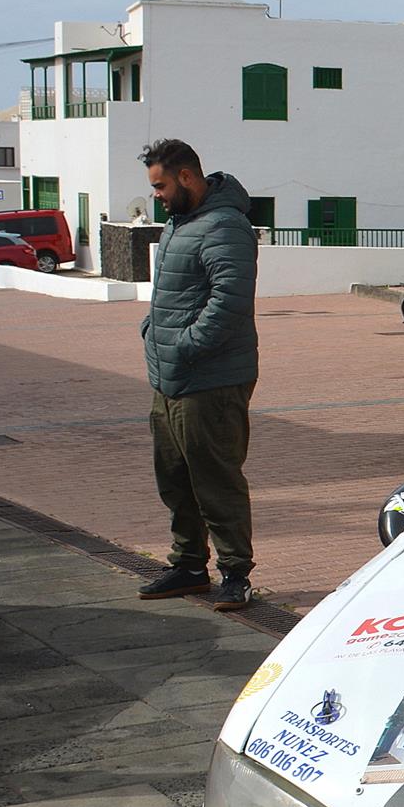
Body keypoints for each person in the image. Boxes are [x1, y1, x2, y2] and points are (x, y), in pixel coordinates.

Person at [137, 138, 261, 610]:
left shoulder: (225, 226)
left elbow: (229, 301)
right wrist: (154, 332)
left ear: (187, 177)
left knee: (215, 479)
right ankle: (188, 565)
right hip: (168, 376)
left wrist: (185, 344)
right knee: (174, 476)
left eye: (161, 185)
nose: (157, 195)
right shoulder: (178, 224)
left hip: (210, 379)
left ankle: (235, 573)